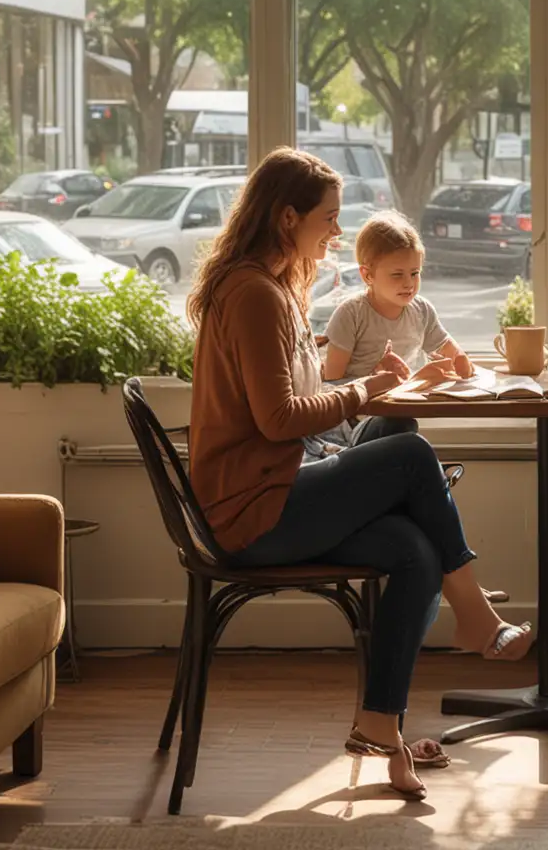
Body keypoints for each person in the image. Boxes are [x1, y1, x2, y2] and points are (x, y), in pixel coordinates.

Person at [186, 148, 530, 802]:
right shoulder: (254, 293)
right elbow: (281, 419)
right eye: (329, 218)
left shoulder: (273, 287)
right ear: (288, 218)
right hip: (254, 513)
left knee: (414, 548)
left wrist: (366, 399)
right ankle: (476, 616)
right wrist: (367, 387)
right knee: (409, 456)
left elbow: (300, 406)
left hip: (280, 486)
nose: (337, 233)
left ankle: (382, 728)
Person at [311, 212, 472, 460]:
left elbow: (453, 353)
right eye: (397, 275)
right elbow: (332, 384)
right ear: (368, 276)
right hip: (349, 424)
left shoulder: (422, 311)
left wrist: (460, 362)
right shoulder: (351, 313)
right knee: (402, 429)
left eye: (415, 273)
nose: (409, 283)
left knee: (402, 425)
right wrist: (377, 378)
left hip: (390, 411)